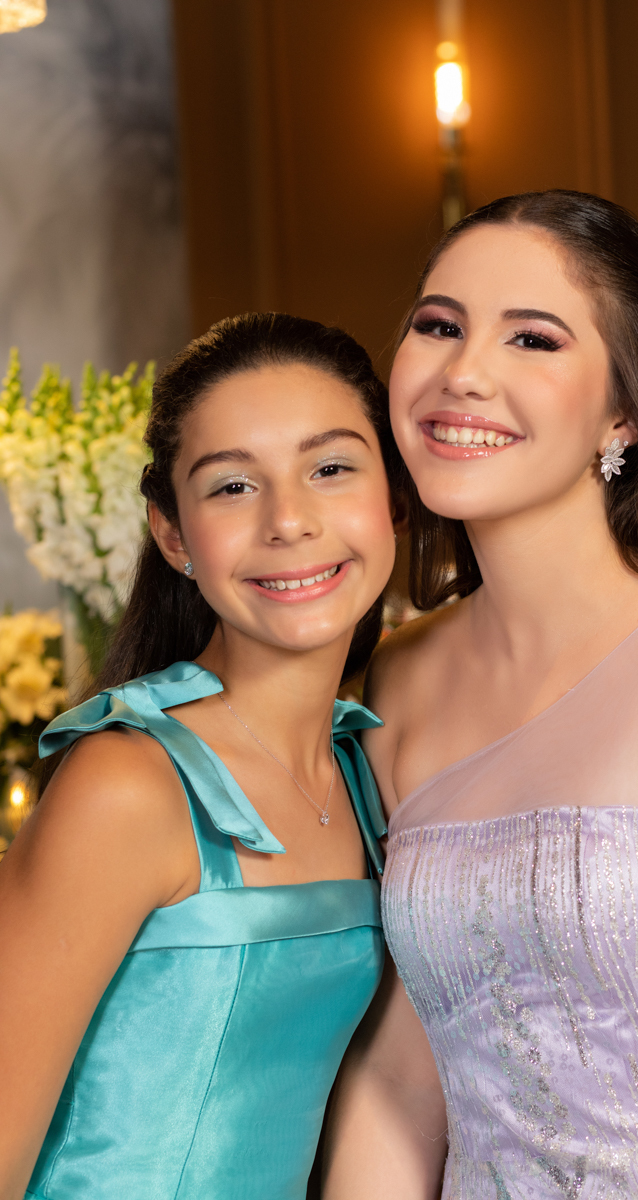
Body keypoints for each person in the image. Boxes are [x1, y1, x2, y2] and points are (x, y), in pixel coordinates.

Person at [323, 192, 638, 1199]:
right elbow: (404, 1079)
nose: (463, 372)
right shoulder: (395, 682)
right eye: (438, 325)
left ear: (624, 410)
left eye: (531, 338)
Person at [0, 312, 401, 1200]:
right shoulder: (129, 786)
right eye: (232, 486)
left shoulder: (368, 771)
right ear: (174, 534)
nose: (289, 521)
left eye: (331, 469)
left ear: (394, 498)